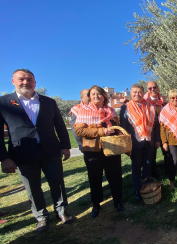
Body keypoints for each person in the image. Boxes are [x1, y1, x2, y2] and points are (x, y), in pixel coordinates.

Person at [0, 69, 73, 233]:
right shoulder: (3, 102)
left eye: (29, 79)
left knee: (57, 182)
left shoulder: (48, 102)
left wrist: (65, 146)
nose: (25, 82)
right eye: (21, 79)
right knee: (32, 187)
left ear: (35, 82)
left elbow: (60, 126)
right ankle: (41, 217)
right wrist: (3, 158)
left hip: (50, 150)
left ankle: (62, 211)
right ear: (13, 81)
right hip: (22, 153)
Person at [74, 85, 124, 218]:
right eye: (93, 94)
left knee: (115, 176)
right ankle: (96, 204)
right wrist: (101, 131)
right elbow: (79, 131)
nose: (96, 96)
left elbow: (117, 127)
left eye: (99, 94)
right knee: (95, 177)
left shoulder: (111, 111)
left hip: (111, 148)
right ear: (89, 97)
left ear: (104, 96)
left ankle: (118, 201)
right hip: (93, 150)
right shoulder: (83, 111)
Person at [120, 84, 160, 201]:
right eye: (134, 92)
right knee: (136, 167)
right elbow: (124, 128)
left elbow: (156, 125)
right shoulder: (126, 107)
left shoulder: (150, 106)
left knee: (147, 166)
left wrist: (157, 140)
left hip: (149, 142)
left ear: (143, 93)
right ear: (131, 93)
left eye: (139, 92)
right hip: (135, 143)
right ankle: (137, 190)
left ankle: (146, 187)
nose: (137, 94)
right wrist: (127, 146)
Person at [144, 81, 167, 179]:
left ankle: (168, 171)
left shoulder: (163, 101)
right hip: (152, 132)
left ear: (157, 88)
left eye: (154, 87)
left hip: (164, 130)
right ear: (147, 90)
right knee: (152, 155)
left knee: (167, 152)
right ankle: (154, 176)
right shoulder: (145, 102)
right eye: (150, 88)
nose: (152, 89)